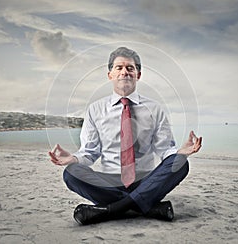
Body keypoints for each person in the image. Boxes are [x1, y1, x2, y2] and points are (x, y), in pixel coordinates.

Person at [49, 47, 202, 225]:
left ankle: (112, 209)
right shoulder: (95, 110)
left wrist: (180, 152)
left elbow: (164, 149)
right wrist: (74, 158)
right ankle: (146, 206)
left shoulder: (155, 109)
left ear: (138, 74)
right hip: (109, 182)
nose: (125, 72)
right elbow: (90, 152)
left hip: (146, 180)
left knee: (180, 163)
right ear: (110, 75)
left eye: (130, 68)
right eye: (119, 68)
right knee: (71, 173)